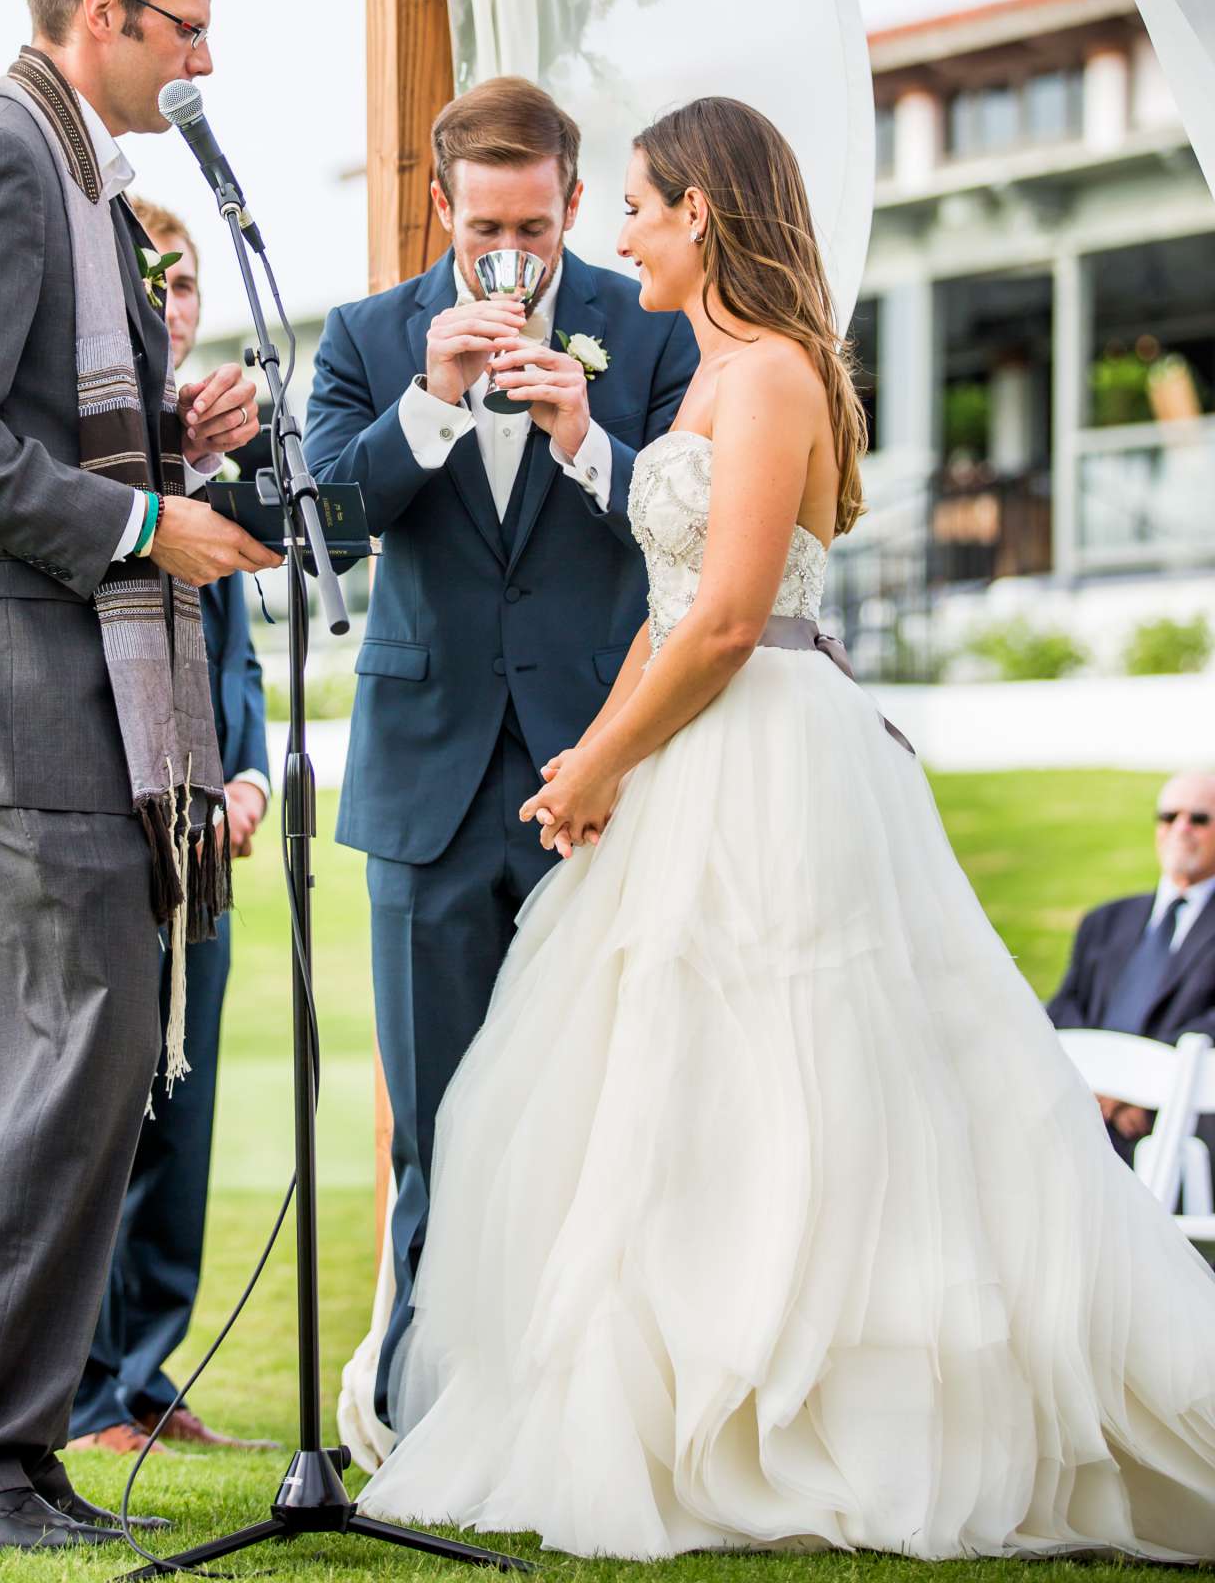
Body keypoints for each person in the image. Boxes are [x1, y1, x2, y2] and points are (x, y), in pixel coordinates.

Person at [359, 97, 1215, 1561]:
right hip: (687, 743)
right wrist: (598, 757)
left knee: (798, 1078)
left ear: (701, 213)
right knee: (663, 1096)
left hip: (766, 748)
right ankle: (692, 1404)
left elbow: (738, 621)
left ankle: (829, 1412)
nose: (618, 233)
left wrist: (599, 760)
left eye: (635, 202)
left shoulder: (770, 381)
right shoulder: (709, 383)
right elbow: (666, 607)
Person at [0, 0, 281, 1555]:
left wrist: (180, 428)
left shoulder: (81, 182)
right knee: (69, 1074)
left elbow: (33, 418)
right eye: (186, 26)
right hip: (22, 691)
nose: (204, 58)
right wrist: (135, 529)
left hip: (49, 689)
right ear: (103, 14)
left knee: (7, 1088)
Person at [305, 77, 697, 1429]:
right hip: (426, 787)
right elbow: (330, 521)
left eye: (535, 225)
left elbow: (697, 527)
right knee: (439, 1127)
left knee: (607, 1120)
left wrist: (586, 438)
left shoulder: (645, 327)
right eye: (485, 228)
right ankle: (426, 1415)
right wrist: (430, 395)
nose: (512, 255)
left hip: (598, 776)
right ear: (440, 207)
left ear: (574, 204)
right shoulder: (367, 336)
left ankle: (586, 1421)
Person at [70, 200, 274, 1458]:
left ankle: (150, 1377)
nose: (174, 299)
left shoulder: (222, 462)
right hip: (105, 819)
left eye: (184, 278)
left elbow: (238, 661)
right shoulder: (93, 458)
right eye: (152, 280)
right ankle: (85, 1390)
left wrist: (248, 777)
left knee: (183, 1109)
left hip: (207, 831)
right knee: (101, 1111)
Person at [1048, 771, 1215, 1162]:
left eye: (1199, 819)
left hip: (1178, 1128)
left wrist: (1140, 1089)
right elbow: (1064, 1009)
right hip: (1085, 1113)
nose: (1181, 828)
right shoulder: (1104, 922)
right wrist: (1096, 1086)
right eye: (1169, 817)